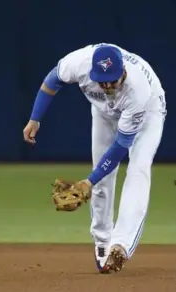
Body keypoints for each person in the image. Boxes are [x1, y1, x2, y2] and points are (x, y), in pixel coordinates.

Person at [23, 43, 167, 273]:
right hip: (103, 111)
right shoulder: (79, 63)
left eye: (112, 79)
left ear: (124, 73)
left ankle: (121, 245)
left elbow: (121, 145)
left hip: (148, 112)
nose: (107, 85)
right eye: (102, 80)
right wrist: (35, 118)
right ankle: (103, 242)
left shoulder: (138, 91)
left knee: (138, 169)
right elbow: (52, 81)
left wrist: (88, 181)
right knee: (101, 178)